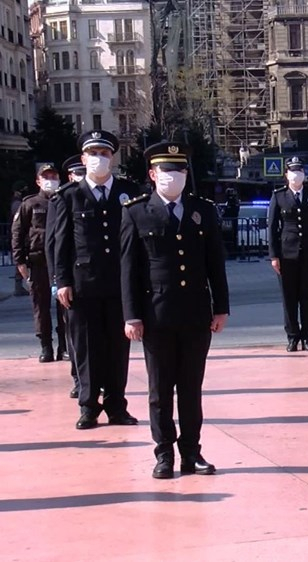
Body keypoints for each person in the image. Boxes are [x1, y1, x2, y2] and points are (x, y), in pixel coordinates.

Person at [120, 141, 230, 479]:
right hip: (156, 315)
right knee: (160, 389)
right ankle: (164, 453)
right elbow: (128, 269)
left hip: (196, 314)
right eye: (167, 171)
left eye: (179, 170)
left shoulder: (202, 210)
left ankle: (191, 451)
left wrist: (221, 307)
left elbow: (215, 262)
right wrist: (131, 315)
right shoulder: (136, 211)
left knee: (191, 388)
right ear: (153, 174)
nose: (174, 177)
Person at [53, 130, 140, 430]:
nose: (98, 160)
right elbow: (60, 244)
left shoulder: (128, 193)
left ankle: (117, 405)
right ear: (83, 159)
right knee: (86, 347)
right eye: (93, 154)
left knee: (119, 347)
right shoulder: (69, 196)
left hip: (119, 284)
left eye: (104, 154)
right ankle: (89, 406)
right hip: (82, 286)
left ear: (112, 158)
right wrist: (61, 280)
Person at [12, 165, 66, 363]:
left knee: (65, 306)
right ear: (38, 181)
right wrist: (19, 262)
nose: (50, 179)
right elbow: (17, 233)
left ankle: (64, 346)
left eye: (53, 176)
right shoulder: (30, 204)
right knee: (40, 307)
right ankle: (46, 347)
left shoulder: (64, 200)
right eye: (46, 177)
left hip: (61, 262)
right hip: (38, 262)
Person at [47, 156, 86, 398]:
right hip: (71, 278)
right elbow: (53, 242)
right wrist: (57, 279)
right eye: (77, 172)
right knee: (75, 334)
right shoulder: (62, 198)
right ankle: (78, 378)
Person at [268, 156, 308, 352]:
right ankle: (292, 337)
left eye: (300, 171)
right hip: (286, 255)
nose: (297, 174)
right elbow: (271, 227)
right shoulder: (279, 196)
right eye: (293, 171)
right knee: (289, 299)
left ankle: (307, 337)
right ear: (286, 175)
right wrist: (274, 256)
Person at [10, 189, 29, 297]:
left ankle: (19, 286)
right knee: (20, 260)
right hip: (20, 236)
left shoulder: (17, 202)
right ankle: (18, 287)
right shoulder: (17, 203)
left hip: (20, 235)